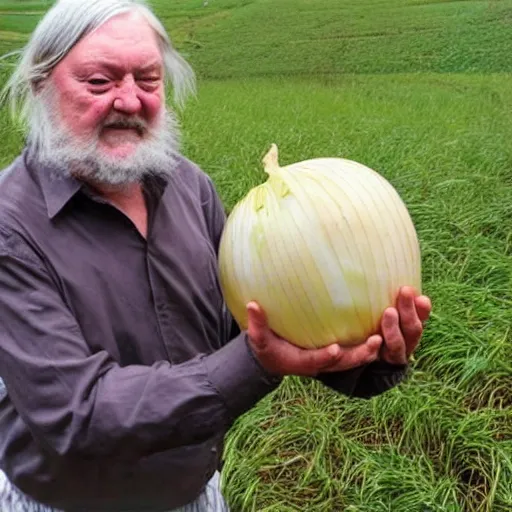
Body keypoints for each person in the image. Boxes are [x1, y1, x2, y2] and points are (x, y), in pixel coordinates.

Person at [0, 0, 432, 510]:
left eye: (149, 79)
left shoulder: (189, 188)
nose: (130, 101)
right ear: (41, 86)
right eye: (100, 82)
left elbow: (261, 323)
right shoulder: (11, 226)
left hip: (198, 493)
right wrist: (255, 363)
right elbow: (79, 414)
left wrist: (369, 353)